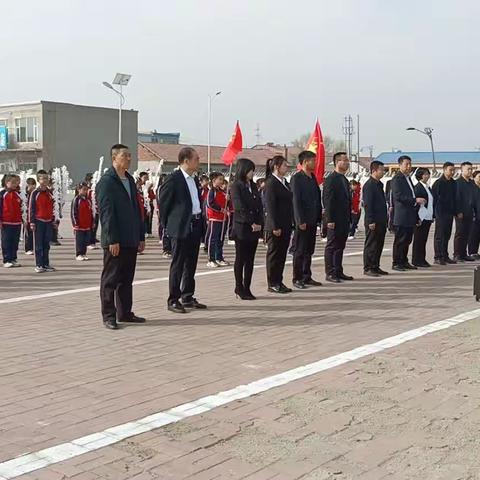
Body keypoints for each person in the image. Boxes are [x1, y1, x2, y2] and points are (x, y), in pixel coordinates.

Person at [96, 144, 146, 330]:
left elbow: (137, 210)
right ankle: (109, 315)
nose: (129, 159)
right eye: (125, 155)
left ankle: (125, 312)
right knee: (111, 279)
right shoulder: (107, 182)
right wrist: (111, 240)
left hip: (131, 238)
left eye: (130, 156)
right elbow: (106, 214)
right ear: (114, 157)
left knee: (126, 278)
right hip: (116, 240)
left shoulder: (130, 180)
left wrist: (140, 236)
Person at [159, 147, 207, 313]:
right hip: (180, 228)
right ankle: (173, 299)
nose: (198, 162)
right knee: (178, 264)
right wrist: (169, 225)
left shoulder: (193, 179)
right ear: (186, 160)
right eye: (196, 159)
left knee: (191, 264)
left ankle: (187, 296)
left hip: (195, 225)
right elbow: (163, 205)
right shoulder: (174, 179)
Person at [230, 158, 264, 300]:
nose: (252, 173)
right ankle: (239, 287)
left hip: (254, 229)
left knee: (250, 260)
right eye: (250, 170)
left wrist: (259, 223)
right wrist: (251, 222)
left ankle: (247, 287)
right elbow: (239, 207)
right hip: (242, 227)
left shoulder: (253, 186)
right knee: (241, 259)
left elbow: (259, 205)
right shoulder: (236, 186)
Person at [290, 150, 322, 289]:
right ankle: (297, 278)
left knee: (309, 249)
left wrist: (319, 217)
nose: (315, 163)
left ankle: (306, 275)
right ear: (304, 162)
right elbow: (296, 201)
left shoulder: (312, 177)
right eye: (312, 160)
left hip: (312, 219)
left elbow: (316, 198)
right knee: (300, 250)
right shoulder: (297, 178)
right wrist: (299, 220)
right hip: (302, 221)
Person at [390, 155, 426, 271]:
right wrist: (415, 200)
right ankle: (396, 262)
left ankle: (404, 261)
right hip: (401, 215)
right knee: (400, 240)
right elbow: (399, 196)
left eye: (410, 164)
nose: (409, 167)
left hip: (410, 215)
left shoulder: (408, 178)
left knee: (407, 240)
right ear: (400, 165)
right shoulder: (397, 179)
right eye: (406, 164)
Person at [264, 155, 293, 293]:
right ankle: (272, 282)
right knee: (274, 255)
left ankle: (279, 280)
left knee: (282, 255)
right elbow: (270, 207)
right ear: (276, 166)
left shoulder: (284, 182)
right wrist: (274, 226)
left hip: (286, 224)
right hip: (276, 226)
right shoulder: (271, 183)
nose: (286, 168)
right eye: (284, 165)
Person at [323, 152, 353, 283]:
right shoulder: (331, 179)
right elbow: (328, 200)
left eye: (347, 161)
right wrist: (329, 219)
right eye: (345, 160)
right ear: (337, 162)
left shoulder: (344, 179)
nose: (347, 163)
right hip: (334, 219)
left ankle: (338, 270)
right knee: (332, 246)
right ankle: (330, 272)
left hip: (344, 219)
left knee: (340, 245)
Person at [362, 160, 388, 277]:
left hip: (381, 219)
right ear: (374, 170)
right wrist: (370, 220)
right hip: (373, 220)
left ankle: (375, 266)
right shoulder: (369, 185)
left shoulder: (379, 184)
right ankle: (368, 267)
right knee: (371, 244)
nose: (383, 172)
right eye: (381, 170)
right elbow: (368, 204)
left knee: (379, 244)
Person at [28, 170, 57, 273]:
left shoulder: (50, 193)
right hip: (38, 221)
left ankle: (46, 263)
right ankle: (39, 264)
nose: (45, 180)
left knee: (46, 244)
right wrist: (31, 222)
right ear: (38, 180)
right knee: (38, 244)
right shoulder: (35, 193)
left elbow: (53, 207)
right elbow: (31, 208)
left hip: (48, 221)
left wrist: (53, 220)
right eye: (42, 178)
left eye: (46, 178)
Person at [432, 161, 457, 265]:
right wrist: (434, 214)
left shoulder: (453, 183)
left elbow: (455, 198)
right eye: (450, 170)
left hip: (450, 213)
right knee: (440, 235)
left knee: (447, 235)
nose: (452, 172)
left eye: (453, 170)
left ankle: (445, 255)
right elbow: (434, 199)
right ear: (444, 170)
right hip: (440, 213)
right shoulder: (438, 183)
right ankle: (438, 256)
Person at [206, 172, 229, 268]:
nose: (221, 181)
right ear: (214, 180)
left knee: (220, 239)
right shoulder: (212, 191)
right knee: (213, 239)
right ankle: (211, 259)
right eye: (220, 179)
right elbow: (209, 203)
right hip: (214, 218)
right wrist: (221, 209)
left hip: (223, 219)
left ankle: (219, 257)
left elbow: (226, 204)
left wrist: (228, 200)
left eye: (222, 179)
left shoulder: (223, 192)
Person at [412, 168, 434, 267]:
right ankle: (417, 260)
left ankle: (422, 259)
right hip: (421, 217)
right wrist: (417, 218)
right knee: (418, 239)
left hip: (428, 217)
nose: (427, 176)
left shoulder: (427, 187)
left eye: (428, 174)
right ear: (420, 176)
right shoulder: (418, 187)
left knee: (423, 240)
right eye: (425, 174)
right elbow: (416, 204)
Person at [454, 161, 476, 262]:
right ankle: (457, 254)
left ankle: (463, 253)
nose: (470, 171)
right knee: (460, 233)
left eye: (471, 169)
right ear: (462, 170)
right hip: (461, 212)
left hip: (470, 211)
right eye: (468, 169)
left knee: (467, 233)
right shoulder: (458, 183)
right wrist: (458, 211)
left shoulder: (471, 183)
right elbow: (457, 198)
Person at [0, 174, 22, 268]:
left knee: (15, 241)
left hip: (17, 222)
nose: (14, 184)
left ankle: (13, 258)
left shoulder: (18, 194)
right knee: (6, 241)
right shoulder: (2, 194)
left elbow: (22, 207)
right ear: (6, 182)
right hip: (6, 222)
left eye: (16, 182)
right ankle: (7, 259)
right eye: (12, 182)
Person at [71, 182, 94, 261]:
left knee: (85, 240)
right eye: (83, 190)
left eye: (86, 190)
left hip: (87, 225)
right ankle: (79, 253)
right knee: (79, 240)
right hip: (79, 225)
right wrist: (75, 224)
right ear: (78, 190)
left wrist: (92, 222)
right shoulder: (76, 200)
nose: (85, 191)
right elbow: (73, 213)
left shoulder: (88, 200)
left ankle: (84, 253)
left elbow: (91, 212)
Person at [468, 170, 480, 259]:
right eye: (479, 177)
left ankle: (476, 252)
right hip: (473, 214)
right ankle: (472, 252)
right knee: (473, 234)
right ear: (474, 177)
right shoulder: (471, 187)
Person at [24, 177, 36, 255]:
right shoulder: (25, 195)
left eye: (34, 184)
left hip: (33, 216)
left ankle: (32, 247)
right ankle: (28, 248)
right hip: (26, 216)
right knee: (27, 232)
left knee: (32, 233)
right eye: (31, 185)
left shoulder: (34, 194)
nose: (33, 186)